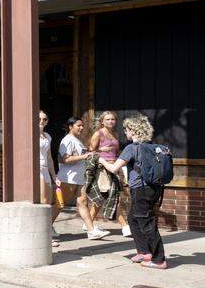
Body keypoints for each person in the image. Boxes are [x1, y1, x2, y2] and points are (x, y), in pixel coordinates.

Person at [101, 115, 168, 269]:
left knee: (146, 222)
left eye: (126, 129)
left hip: (141, 190)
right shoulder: (152, 146)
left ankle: (159, 259)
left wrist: (101, 160)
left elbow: (113, 168)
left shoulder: (131, 148)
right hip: (155, 188)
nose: (125, 133)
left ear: (133, 130)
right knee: (133, 218)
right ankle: (144, 251)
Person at [57, 116, 105, 239]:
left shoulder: (76, 140)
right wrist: (85, 157)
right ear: (70, 126)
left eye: (82, 125)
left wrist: (92, 153)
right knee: (59, 205)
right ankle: (47, 228)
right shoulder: (67, 140)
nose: (81, 128)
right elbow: (66, 159)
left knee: (83, 203)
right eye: (79, 125)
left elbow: (81, 155)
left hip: (79, 177)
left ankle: (91, 231)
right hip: (68, 178)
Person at [90, 110, 130, 238]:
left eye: (112, 119)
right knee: (110, 196)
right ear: (102, 121)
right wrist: (101, 149)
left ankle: (88, 222)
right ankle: (125, 227)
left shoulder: (116, 134)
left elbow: (117, 151)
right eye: (107, 119)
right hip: (103, 168)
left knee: (107, 197)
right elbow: (90, 151)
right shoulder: (98, 133)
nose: (110, 121)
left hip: (115, 167)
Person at [38, 112, 61, 230]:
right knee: (43, 201)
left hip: (46, 168)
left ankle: (48, 229)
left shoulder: (47, 136)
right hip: (37, 169)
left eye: (44, 119)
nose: (42, 121)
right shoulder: (31, 134)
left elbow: (49, 158)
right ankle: (44, 232)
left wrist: (54, 176)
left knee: (49, 202)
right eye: (39, 119)